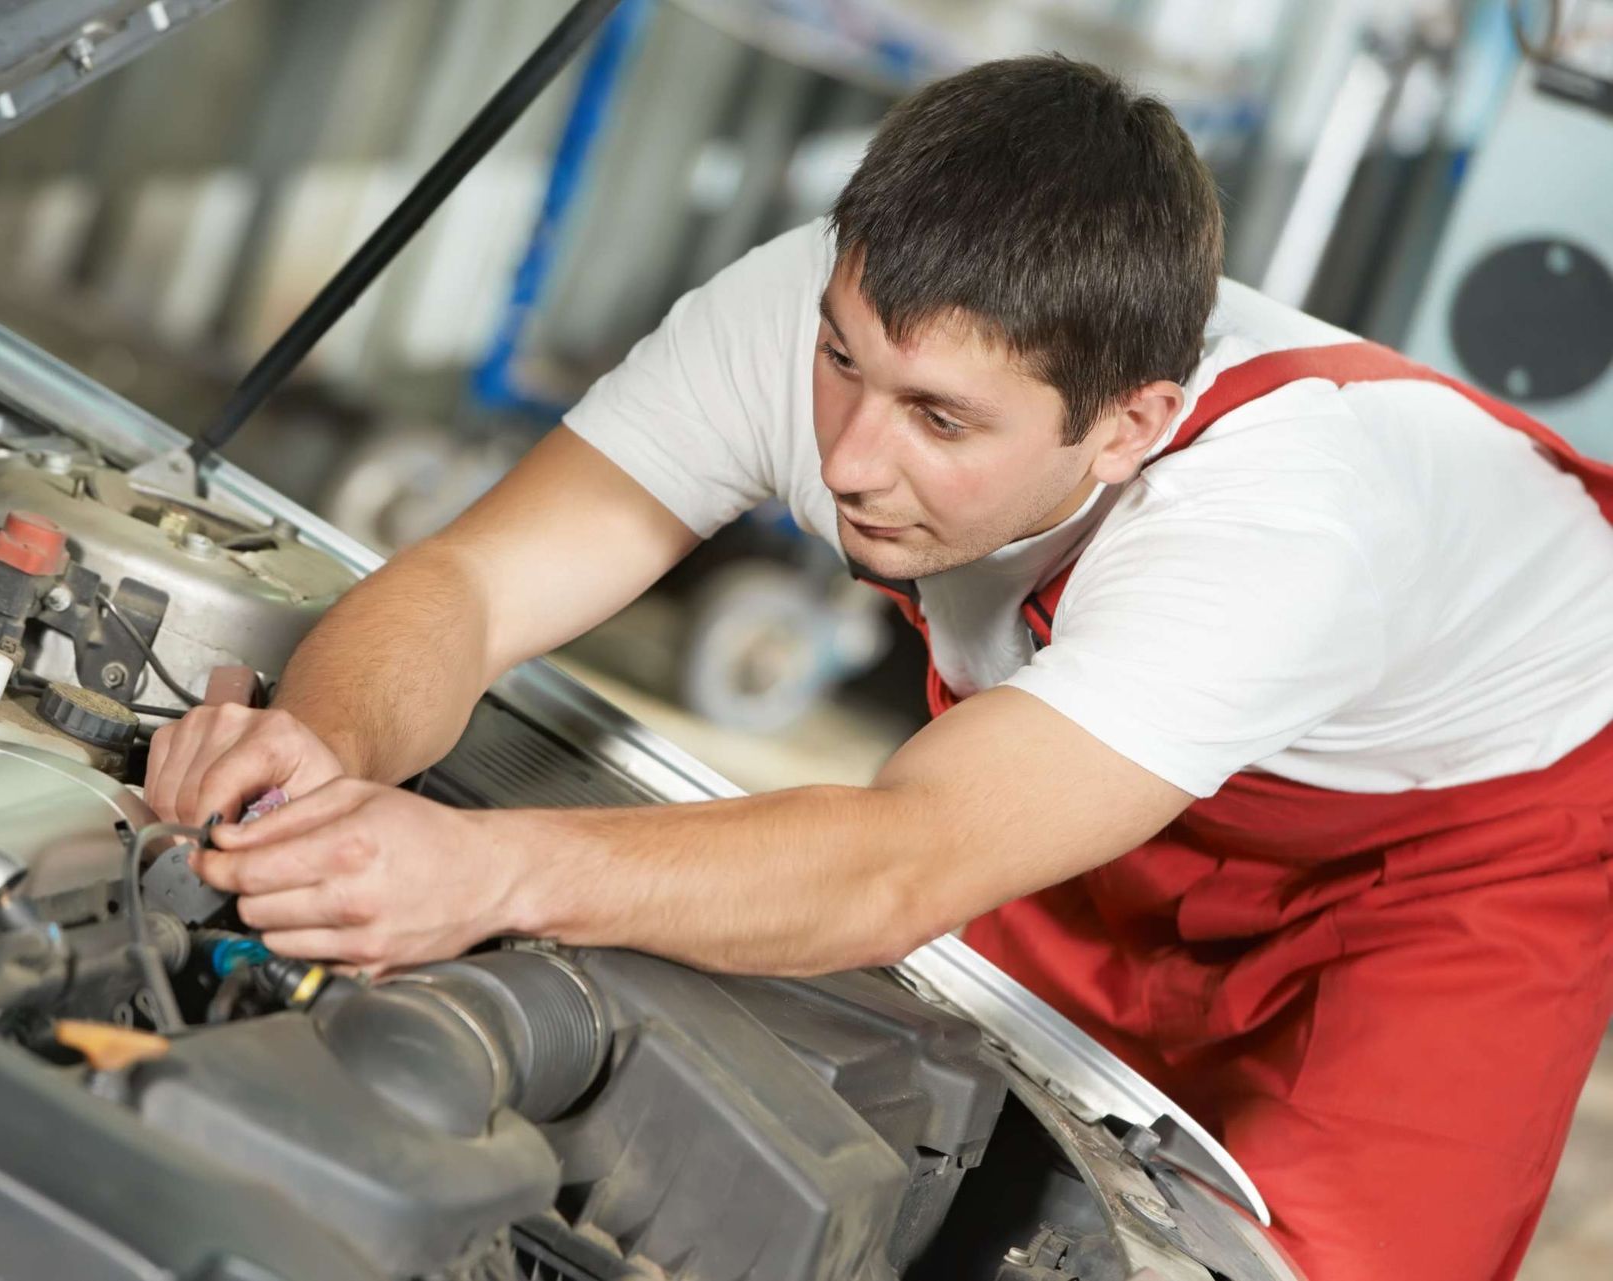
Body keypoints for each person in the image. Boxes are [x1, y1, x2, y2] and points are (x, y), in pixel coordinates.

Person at [146, 55, 1613, 1280]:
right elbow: (467, 586)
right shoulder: (810, 313)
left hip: (1451, 852)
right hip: (1084, 765)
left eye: (941, 423)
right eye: (844, 363)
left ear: (1127, 426)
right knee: (965, 1161)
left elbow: (902, 860)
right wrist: (322, 753)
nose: (850, 460)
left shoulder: (1284, 528)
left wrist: (487, 869)